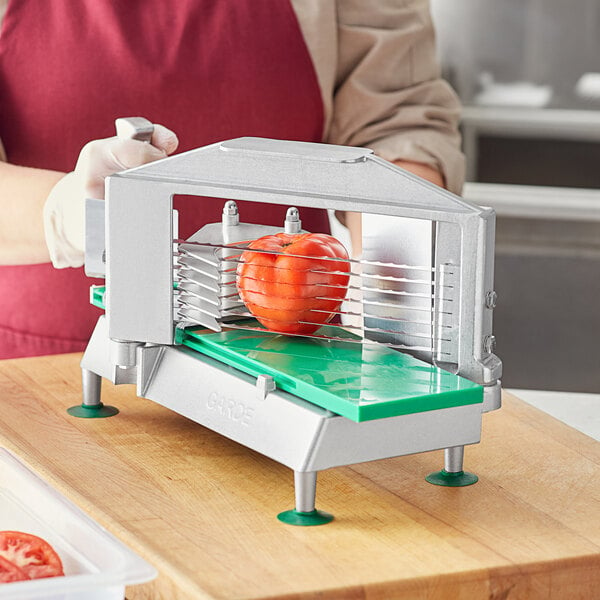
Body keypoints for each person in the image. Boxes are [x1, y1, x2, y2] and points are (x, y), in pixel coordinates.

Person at [0, 0, 464, 359]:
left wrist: (394, 257)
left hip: (295, 357)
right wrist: (63, 212)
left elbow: (396, 117)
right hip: (35, 363)